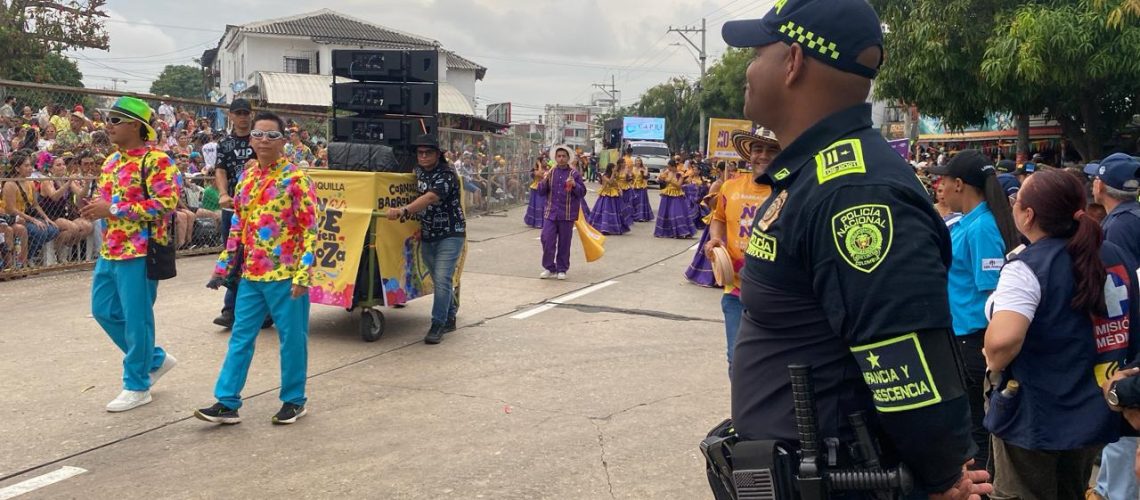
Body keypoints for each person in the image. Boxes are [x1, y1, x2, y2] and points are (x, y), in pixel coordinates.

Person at [718, 0, 990, 498]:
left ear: (794, 62)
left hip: (845, 479)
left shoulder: (855, 192)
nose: (749, 68)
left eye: (757, 51)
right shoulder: (816, 176)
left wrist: (940, 473)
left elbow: (905, 359)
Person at [983, 169, 1136, 499]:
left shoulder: (1027, 267)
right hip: (1095, 407)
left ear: (1029, 214)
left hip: (1035, 413)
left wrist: (991, 357)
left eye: (1016, 201)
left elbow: (1003, 342)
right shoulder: (1115, 256)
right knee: (1072, 489)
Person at [197, 111, 318, 426]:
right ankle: (227, 401)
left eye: (272, 135)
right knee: (240, 335)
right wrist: (223, 266)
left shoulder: (297, 178)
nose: (264, 140)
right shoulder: (247, 178)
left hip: (286, 275)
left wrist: (304, 275)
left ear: (284, 141)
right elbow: (238, 225)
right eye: (258, 134)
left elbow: (310, 229)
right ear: (250, 138)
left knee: (292, 338)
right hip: (251, 275)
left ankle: (294, 400)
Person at [79, 96, 180, 412]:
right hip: (111, 250)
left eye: (115, 120)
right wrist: (96, 208)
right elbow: (105, 202)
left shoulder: (158, 161)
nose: (108, 126)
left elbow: (166, 204)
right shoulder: (111, 162)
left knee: (138, 319)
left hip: (141, 250)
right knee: (103, 310)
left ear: (137, 125)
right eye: (108, 120)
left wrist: (112, 209)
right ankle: (154, 359)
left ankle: (137, 384)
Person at [926, 149, 1021, 472]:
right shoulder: (967, 223)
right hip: (961, 338)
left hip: (974, 341)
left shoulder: (982, 228)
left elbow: (993, 296)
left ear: (959, 184)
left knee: (977, 428)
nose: (939, 184)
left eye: (945, 178)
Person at [1083, 153, 1140, 500]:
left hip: (1126, 347)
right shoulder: (1130, 217)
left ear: (1101, 184)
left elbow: (1123, 291)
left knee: (1122, 432)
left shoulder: (1117, 226)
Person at [703, 129, 779, 370]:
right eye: (758, 149)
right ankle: (742, 408)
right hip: (735, 291)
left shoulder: (791, 189)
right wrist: (716, 240)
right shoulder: (730, 187)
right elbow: (719, 218)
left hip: (775, 295)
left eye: (772, 150)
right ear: (749, 154)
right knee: (736, 360)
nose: (763, 156)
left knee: (771, 363)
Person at [385, 134, 466, 344]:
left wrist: (403, 210)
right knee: (439, 279)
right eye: (420, 153)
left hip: (451, 233)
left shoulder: (447, 174)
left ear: (438, 155)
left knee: (441, 278)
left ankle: (437, 324)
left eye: (428, 153)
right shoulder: (418, 170)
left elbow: (429, 197)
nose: (423, 156)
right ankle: (450, 314)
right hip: (428, 233)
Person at [212, 98, 256, 328]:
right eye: (238, 112)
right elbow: (220, 170)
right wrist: (222, 193)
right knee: (232, 256)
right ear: (230, 115)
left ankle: (258, 309)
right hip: (233, 209)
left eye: (245, 112)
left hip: (259, 210)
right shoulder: (225, 144)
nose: (242, 116)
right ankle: (230, 309)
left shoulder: (261, 140)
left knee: (257, 257)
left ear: (252, 114)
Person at [537, 145, 586, 280]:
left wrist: (575, 185)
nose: (561, 158)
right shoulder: (550, 172)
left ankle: (562, 268)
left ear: (568, 158)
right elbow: (541, 192)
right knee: (546, 238)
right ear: (556, 158)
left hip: (567, 213)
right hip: (551, 212)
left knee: (564, 242)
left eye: (564, 156)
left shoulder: (574, 174)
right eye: (559, 156)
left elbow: (582, 192)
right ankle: (549, 267)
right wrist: (544, 180)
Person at [2, 150, 60, 262]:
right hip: (15, 219)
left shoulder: (30, 183)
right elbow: (11, 209)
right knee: (39, 231)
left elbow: (35, 204)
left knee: (53, 229)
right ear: (17, 168)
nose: (30, 168)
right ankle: (25, 259)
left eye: (31, 165)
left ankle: (29, 255)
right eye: (26, 166)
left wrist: (46, 218)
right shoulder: (10, 184)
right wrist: (33, 220)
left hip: (27, 217)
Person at [654, 160, 696, 238]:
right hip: (667, 194)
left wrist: (670, 181)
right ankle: (666, 232)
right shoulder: (667, 172)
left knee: (676, 213)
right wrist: (660, 179)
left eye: (669, 167)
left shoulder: (680, 174)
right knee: (665, 213)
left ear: (673, 166)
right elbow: (659, 179)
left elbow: (679, 185)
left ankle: (682, 232)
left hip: (677, 194)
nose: (668, 168)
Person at [587, 162, 630, 235]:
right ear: (611, 168)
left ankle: (613, 227)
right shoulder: (604, 175)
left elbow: (616, 183)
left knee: (615, 212)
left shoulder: (616, 175)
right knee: (605, 211)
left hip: (614, 194)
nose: (615, 169)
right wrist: (613, 173)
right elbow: (610, 182)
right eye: (614, 168)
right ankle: (604, 228)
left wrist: (619, 189)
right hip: (606, 194)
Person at [523, 158, 546, 229]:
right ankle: (537, 223)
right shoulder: (535, 170)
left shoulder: (547, 169)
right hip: (536, 189)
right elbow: (540, 175)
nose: (545, 162)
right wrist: (539, 165)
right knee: (538, 205)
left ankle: (543, 223)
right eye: (544, 161)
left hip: (544, 188)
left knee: (543, 205)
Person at [631, 157, 654, 222]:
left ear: (641, 162)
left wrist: (646, 169)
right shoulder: (633, 169)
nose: (638, 162)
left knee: (641, 201)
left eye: (639, 161)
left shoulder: (643, 169)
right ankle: (634, 216)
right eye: (637, 161)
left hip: (642, 187)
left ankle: (641, 217)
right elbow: (630, 177)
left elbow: (646, 176)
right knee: (634, 201)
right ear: (635, 162)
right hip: (634, 187)